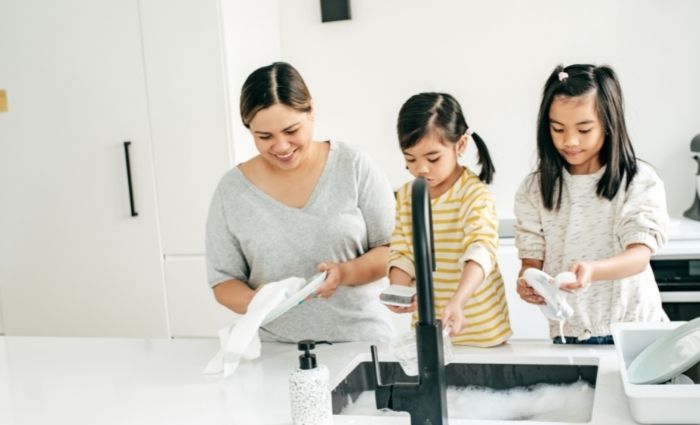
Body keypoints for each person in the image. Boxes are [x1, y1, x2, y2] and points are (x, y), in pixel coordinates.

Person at [205, 62, 395, 343]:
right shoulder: (232, 191)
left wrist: (344, 273)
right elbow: (223, 282)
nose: (281, 146)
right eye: (265, 137)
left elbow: (395, 250)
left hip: (361, 344)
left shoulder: (352, 166)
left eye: (291, 130)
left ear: (311, 111)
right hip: (276, 353)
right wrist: (258, 301)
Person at [514, 64, 669, 344]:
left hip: (636, 331)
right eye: (558, 129)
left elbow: (639, 256)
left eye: (584, 129)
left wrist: (593, 270)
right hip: (569, 333)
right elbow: (530, 262)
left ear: (609, 124)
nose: (570, 141)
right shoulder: (533, 189)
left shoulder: (637, 181)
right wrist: (527, 282)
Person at [386, 92, 512, 346]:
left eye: (433, 158)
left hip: (482, 333)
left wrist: (458, 301)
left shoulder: (474, 195)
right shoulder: (408, 196)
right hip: (428, 333)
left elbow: (481, 251)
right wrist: (399, 291)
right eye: (410, 159)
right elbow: (402, 252)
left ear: (461, 145)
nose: (421, 168)